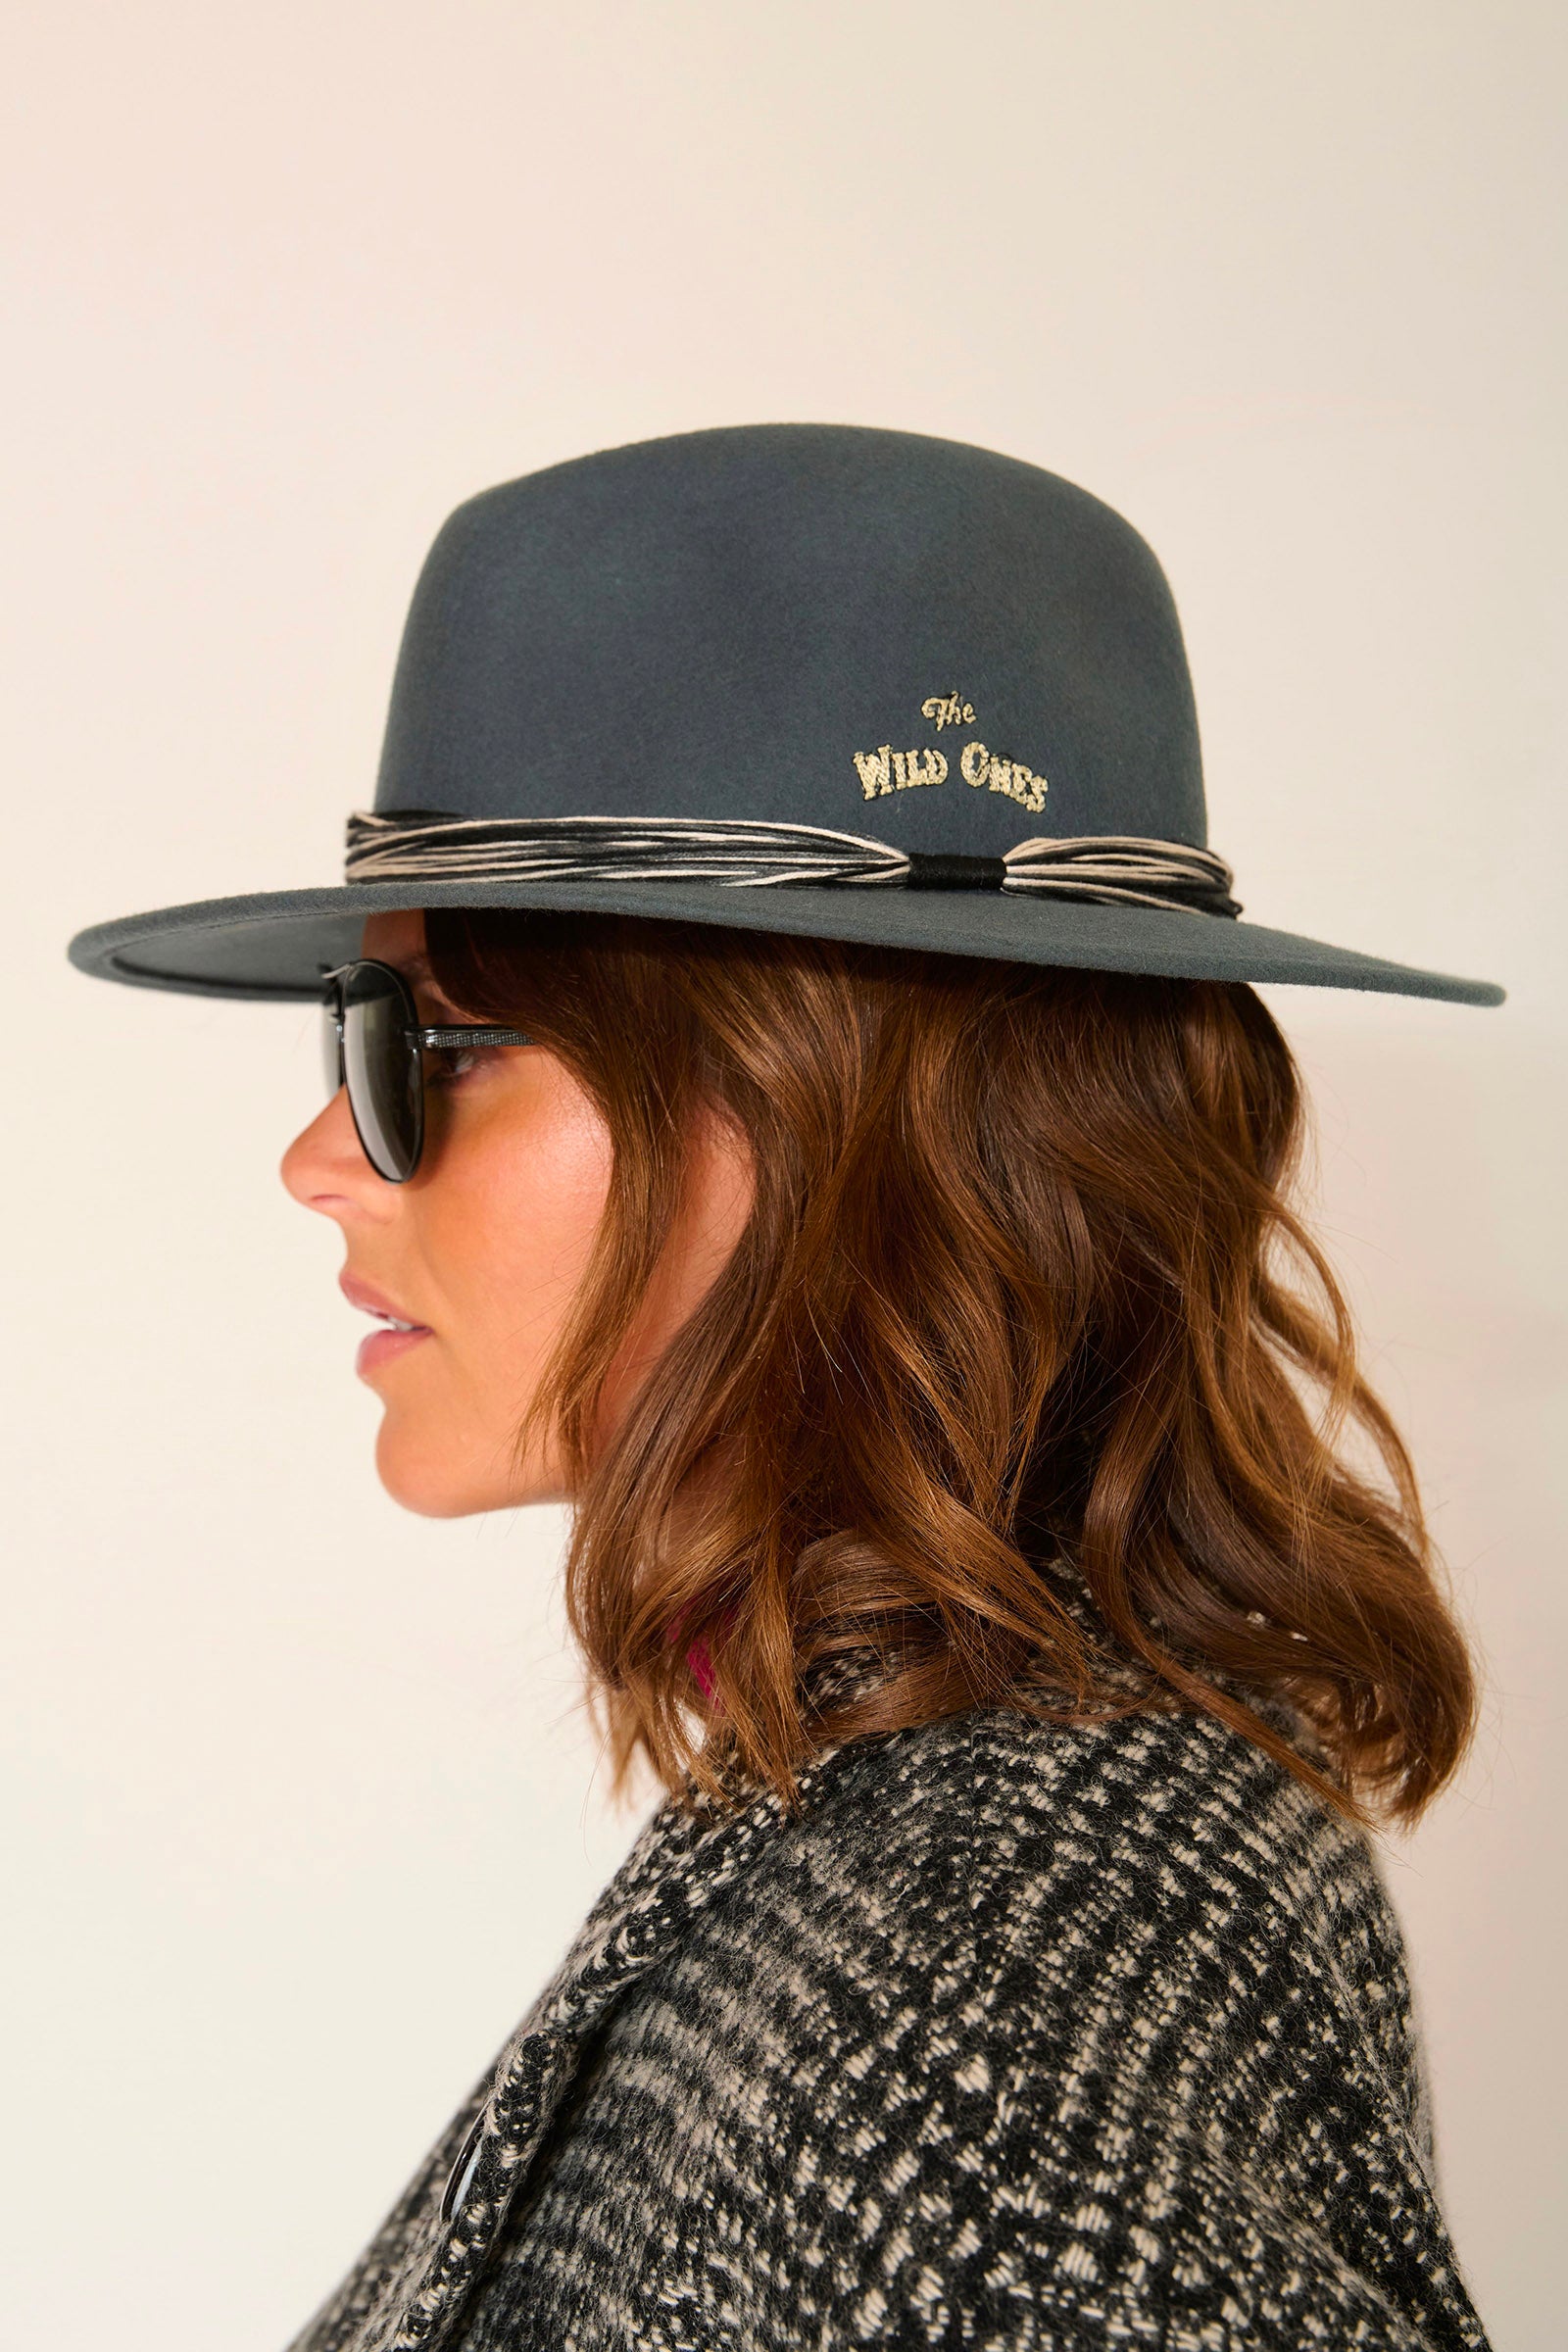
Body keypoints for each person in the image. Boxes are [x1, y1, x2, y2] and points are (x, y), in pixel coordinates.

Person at [67, 425, 1500, 2350]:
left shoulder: (979, 2047)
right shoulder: (983, 1792)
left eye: (431, 1047)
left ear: (819, 1117)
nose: (321, 1157)